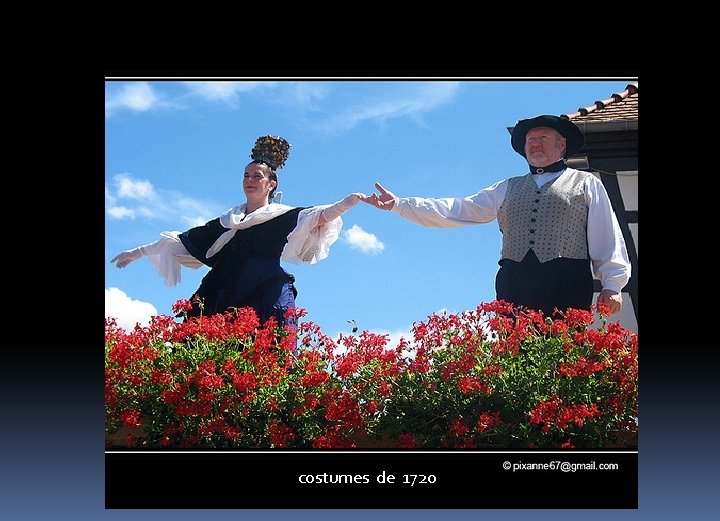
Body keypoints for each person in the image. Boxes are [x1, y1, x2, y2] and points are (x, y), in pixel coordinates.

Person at [362, 115, 631, 317]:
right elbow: (458, 209)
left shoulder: (585, 183)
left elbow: (606, 235)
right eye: (530, 140)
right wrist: (400, 204)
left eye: (542, 138)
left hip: (566, 279)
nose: (535, 144)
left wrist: (613, 285)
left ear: (562, 145)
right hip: (515, 280)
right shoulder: (507, 187)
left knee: (564, 355)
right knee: (514, 355)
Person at [111, 135, 364, 326]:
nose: (249, 180)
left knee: (267, 351)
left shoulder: (281, 216)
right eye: (246, 175)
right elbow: (181, 240)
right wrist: (137, 252)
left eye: (257, 176)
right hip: (219, 292)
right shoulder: (227, 221)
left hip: (263, 292)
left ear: (271, 184)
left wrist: (347, 203)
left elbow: (318, 216)